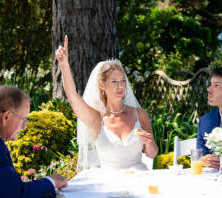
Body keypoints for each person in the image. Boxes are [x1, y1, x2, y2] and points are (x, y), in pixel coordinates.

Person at [55, 36, 158, 171]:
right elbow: (72, 96)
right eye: (114, 82)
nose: (120, 86)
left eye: (122, 81)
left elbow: (152, 153)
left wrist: (150, 144)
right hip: (110, 184)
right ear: (102, 86)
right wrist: (64, 65)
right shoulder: (96, 119)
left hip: (139, 179)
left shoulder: (140, 114)